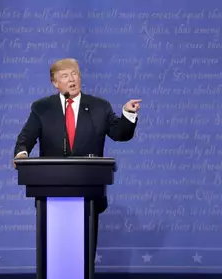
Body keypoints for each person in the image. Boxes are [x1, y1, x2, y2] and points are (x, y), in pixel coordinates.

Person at [12, 58, 141, 261]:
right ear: (55, 82)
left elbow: (120, 133)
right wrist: (21, 153)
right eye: (65, 76)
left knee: (84, 252)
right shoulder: (42, 108)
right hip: (51, 191)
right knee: (54, 254)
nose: (71, 79)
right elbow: (25, 139)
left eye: (75, 74)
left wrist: (128, 114)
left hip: (88, 191)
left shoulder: (99, 107)